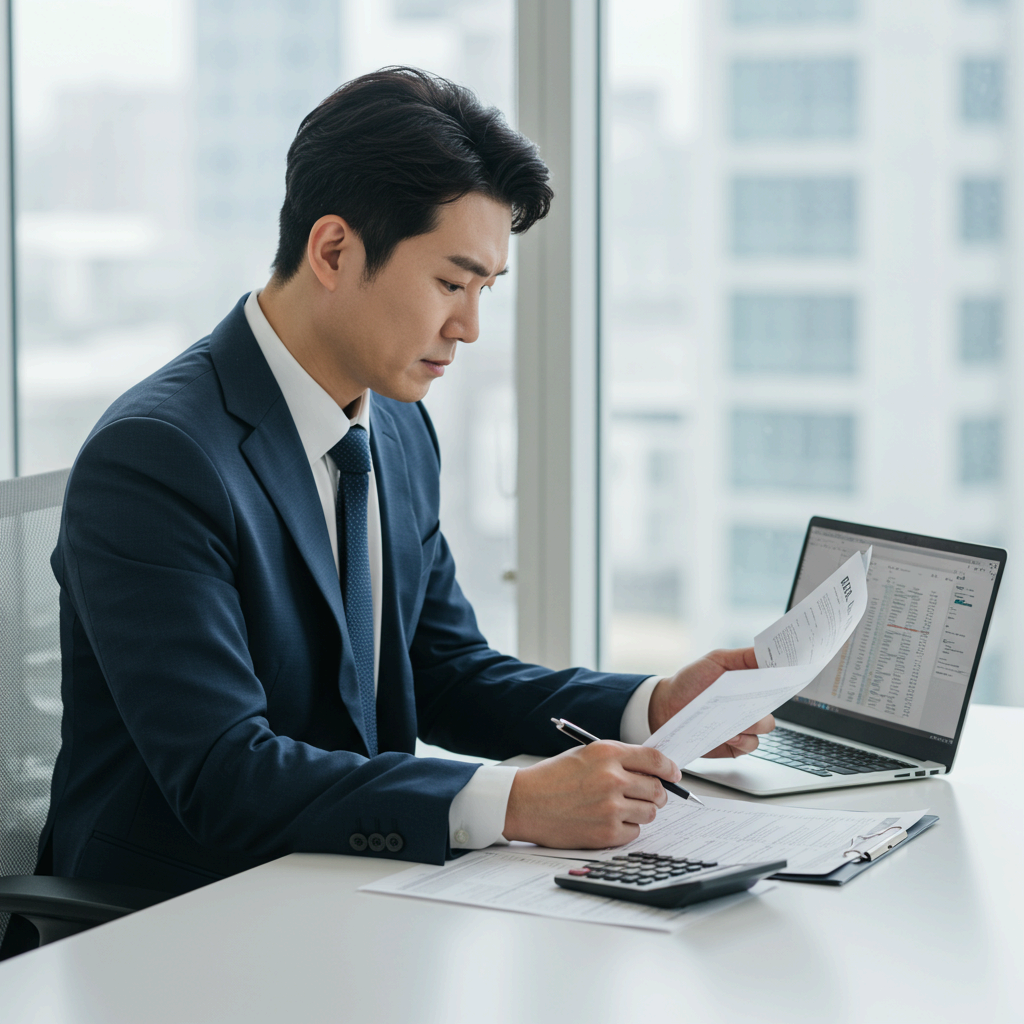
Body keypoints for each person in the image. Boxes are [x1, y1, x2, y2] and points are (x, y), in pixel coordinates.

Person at [40, 67, 772, 896]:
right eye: (450, 283)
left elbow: (443, 669)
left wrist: (653, 706)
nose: (469, 327)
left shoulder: (392, 422)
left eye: (486, 289)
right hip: (175, 916)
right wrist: (515, 802)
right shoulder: (157, 456)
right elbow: (222, 774)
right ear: (334, 250)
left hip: (349, 885)